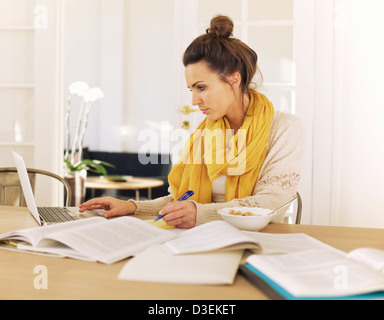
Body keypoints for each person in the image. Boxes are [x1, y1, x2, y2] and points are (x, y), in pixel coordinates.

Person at [79, 15, 305, 229]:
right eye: (191, 89)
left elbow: (272, 202)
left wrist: (200, 214)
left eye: (202, 87)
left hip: (258, 240)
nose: (195, 101)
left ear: (234, 80)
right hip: (200, 236)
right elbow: (181, 201)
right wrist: (133, 206)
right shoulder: (206, 133)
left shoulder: (284, 129)